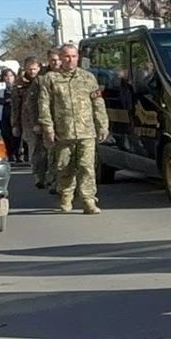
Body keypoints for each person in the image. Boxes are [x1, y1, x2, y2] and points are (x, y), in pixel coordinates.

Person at [35, 42, 109, 214]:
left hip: (86, 131)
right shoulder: (50, 79)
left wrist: (102, 125)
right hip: (63, 132)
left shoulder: (88, 78)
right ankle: (66, 197)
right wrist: (48, 129)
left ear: (78, 58)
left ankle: (88, 200)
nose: (70, 60)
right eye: (66, 56)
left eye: (74, 56)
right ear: (61, 58)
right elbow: (44, 105)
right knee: (64, 166)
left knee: (87, 167)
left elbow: (98, 103)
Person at [12, 60, 42, 166]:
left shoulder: (45, 80)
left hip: (44, 119)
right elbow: (15, 106)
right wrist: (15, 124)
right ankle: (37, 176)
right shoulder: (19, 84)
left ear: (39, 68)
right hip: (27, 121)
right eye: (29, 69)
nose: (32, 71)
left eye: (34, 69)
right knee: (33, 150)